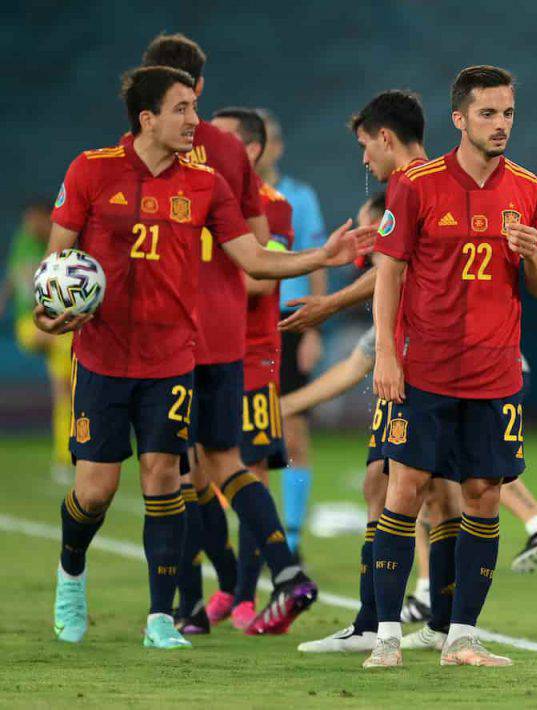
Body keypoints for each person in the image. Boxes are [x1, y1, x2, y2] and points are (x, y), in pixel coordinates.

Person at [40, 66, 372, 648]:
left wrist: (324, 256)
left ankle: (161, 618)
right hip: (101, 357)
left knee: (163, 478)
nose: (196, 120)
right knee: (95, 490)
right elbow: (54, 271)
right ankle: (71, 573)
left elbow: (256, 260)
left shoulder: (205, 185)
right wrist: (51, 317)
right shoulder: (90, 170)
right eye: (183, 108)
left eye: (195, 107)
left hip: (171, 358)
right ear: (148, 119)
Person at [366, 65, 537, 669]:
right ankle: (388, 637)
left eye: (507, 115)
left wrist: (532, 259)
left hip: (495, 373)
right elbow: (389, 276)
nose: (500, 125)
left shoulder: (527, 188)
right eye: (487, 114)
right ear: (459, 118)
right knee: (407, 488)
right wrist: (386, 356)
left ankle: (463, 638)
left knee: (483, 492)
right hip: (424, 370)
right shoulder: (416, 185)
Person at [139, 33, 322, 636]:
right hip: (222, 340)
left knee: (187, 469)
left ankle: (223, 596)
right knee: (214, 466)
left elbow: (260, 267)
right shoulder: (221, 163)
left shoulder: (169, 161)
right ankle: (238, 588)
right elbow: (258, 255)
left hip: (220, 343)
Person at [292, 91, 431, 655]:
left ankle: (396, 625)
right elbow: (389, 271)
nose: (363, 159)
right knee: (390, 484)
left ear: (386, 138)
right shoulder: (425, 182)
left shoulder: (416, 184)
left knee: (427, 491)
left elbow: (391, 273)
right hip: (420, 356)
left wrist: (328, 306)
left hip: (426, 360)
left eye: (364, 145)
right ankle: (379, 619)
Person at [258, 110, 327, 554]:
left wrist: (315, 330)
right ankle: (260, 534)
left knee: (295, 432)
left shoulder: (298, 198)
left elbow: (317, 258)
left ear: (277, 146)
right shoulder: (229, 197)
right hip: (244, 323)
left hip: (290, 321)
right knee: (249, 437)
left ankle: (293, 537)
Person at [2, 200, 73, 484]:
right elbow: (14, 275)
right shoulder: (25, 241)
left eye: (35, 219)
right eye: (27, 220)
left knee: (63, 395)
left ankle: (64, 459)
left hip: (53, 325)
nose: (30, 225)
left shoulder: (63, 241)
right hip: (30, 325)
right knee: (61, 340)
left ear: (48, 219)